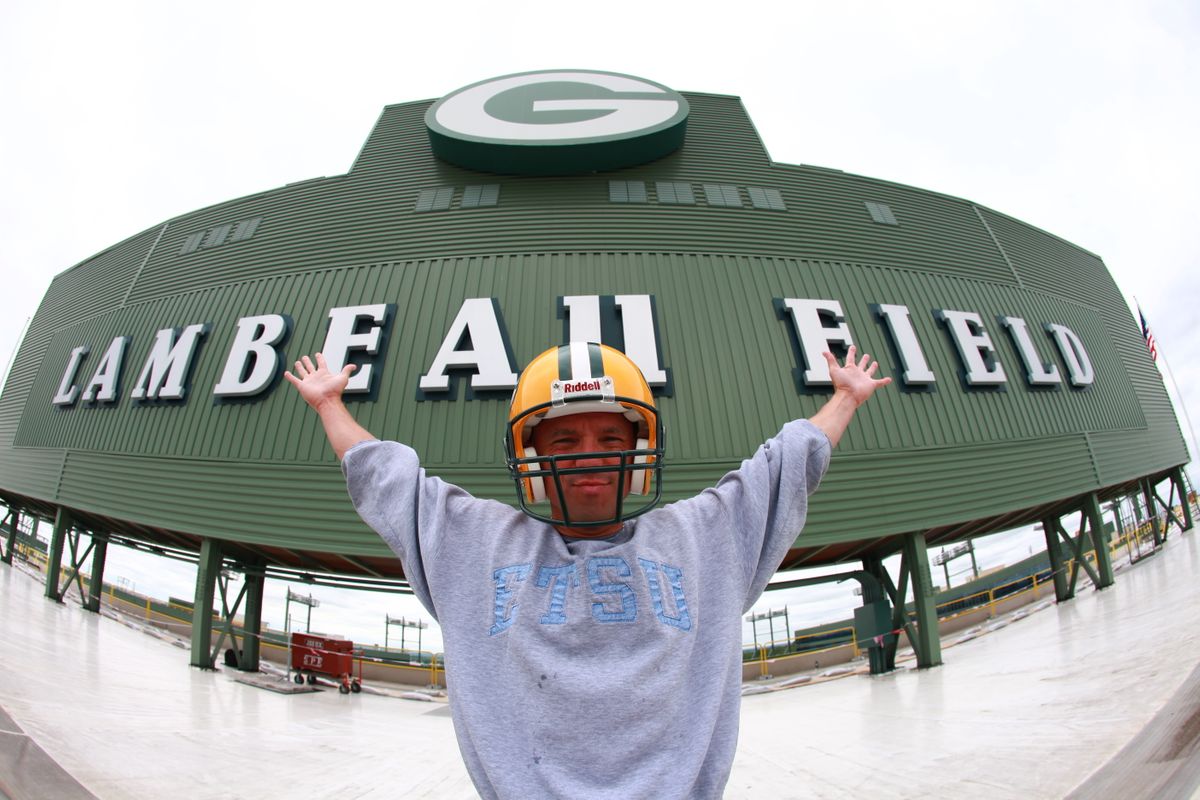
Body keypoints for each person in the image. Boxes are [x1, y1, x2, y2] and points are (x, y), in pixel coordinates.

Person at [284, 342, 890, 800]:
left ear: (639, 453)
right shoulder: (476, 544)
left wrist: (846, 398)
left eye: (610, 438)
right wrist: (329, 405)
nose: (590, 457)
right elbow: (388, 478)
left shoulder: (704, 537)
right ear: (532, 460)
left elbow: (785, 466)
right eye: (564, 442)